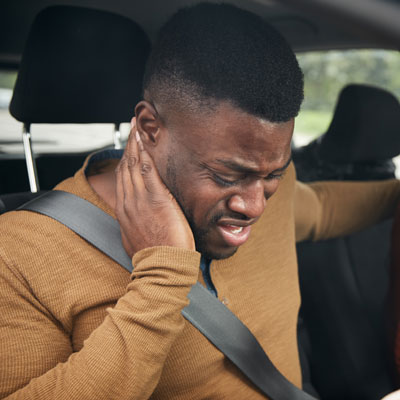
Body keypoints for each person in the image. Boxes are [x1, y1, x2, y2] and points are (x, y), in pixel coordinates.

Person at [1, 3, 400, 399]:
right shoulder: (21, 251)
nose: (255, 206)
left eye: (274, 174)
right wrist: (161, 278)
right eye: (227, 176)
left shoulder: (263, 184)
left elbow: (326, 208)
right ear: (149, 128)